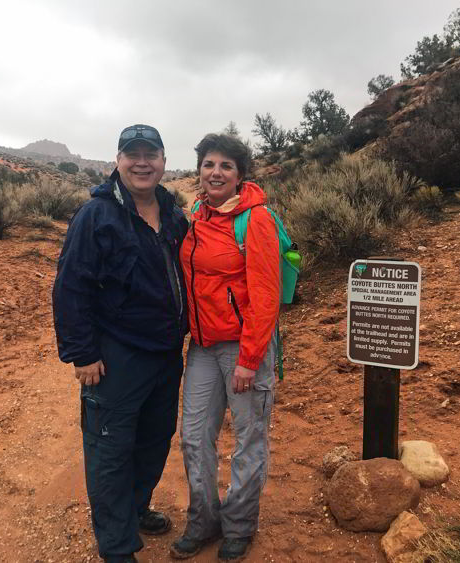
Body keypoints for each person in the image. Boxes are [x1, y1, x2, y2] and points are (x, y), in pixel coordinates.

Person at [52, 124, 189, 563]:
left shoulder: (172, 212)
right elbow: (71, 286)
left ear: (164, 161)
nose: (142, 162)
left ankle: (134, 508)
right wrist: (83, 352)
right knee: (109, 447)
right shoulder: (96, 215)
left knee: (153, 439)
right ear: (118, 160)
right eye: (133, 154)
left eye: (151, 154)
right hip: (116, 354)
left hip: (165, 353)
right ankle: (115, 545)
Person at [171, 133, 281, 561]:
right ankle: (203, 520)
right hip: (201, 345)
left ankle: (238, 526)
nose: (216, 173)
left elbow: (266, 295)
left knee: (249, 438)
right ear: (199, 170)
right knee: (195, 436)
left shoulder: (256, 219)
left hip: (244, 348)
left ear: (240, 175)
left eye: (226, 166)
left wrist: (250, 360)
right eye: (209, 164)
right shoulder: (198, 213)